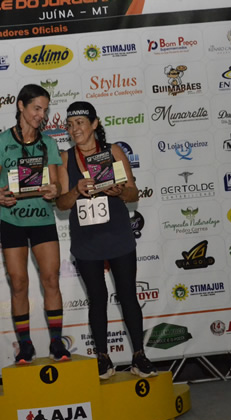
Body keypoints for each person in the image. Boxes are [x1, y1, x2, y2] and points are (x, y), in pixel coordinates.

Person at [55, 101, 158, 379]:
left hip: (117, 235)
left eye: (80, 123)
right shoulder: (65, 158)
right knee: (97, 299)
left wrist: (119, 192)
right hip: (86, 239)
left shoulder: (113, 152)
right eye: (70, 124)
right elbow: (61, 204)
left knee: (128, 295)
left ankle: (139, 356)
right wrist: (76, 190)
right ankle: (102, 357)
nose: (74, 129)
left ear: (94, 124)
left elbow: (133, 193)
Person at [0, 84, 70, 364]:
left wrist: (55, 190)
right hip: (13, 222)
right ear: (21, 106)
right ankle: (25, 345)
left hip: (43, 220)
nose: (41, 115)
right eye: (36, 108)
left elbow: (57, 184)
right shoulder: (1, 141)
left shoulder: (48, 143)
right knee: (19, 283)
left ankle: (56, 342)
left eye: (45, 110)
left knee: (51, 279)